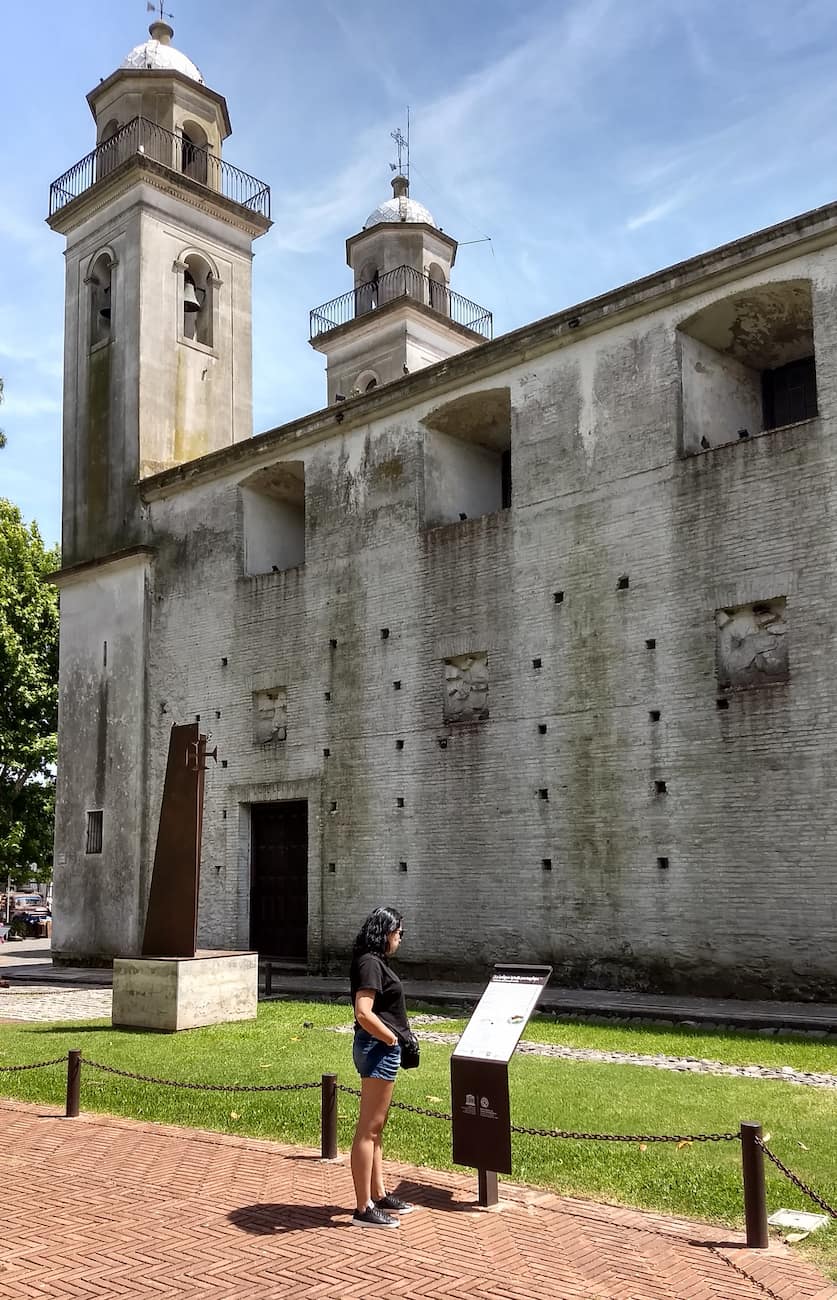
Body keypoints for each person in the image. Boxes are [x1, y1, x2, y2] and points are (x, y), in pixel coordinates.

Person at [349, 906, 415, 1228]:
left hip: (379, 1048)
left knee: (376, 1129)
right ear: (386, 932)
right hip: (377, 1049)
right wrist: (391, 1038)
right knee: (368, 1129)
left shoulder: (375, 962)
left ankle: (378, 1192)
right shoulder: (370, 963)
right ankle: (363, 1207)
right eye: (399, 932)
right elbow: (364, 1011)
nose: (401, 937)